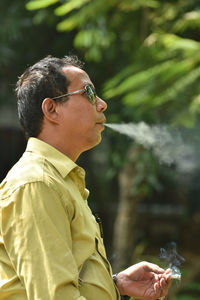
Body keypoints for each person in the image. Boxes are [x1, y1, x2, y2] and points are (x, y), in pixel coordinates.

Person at [0, 55, 171, 300]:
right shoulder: (36, 183)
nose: (101, 104)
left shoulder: (60, 181)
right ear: (51, 109)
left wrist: (114, 284)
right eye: (88, 93)